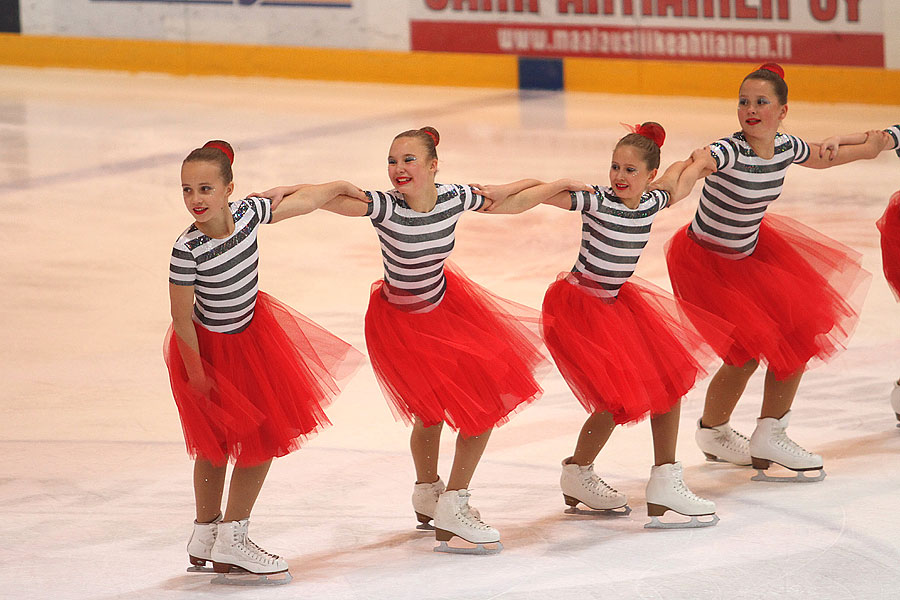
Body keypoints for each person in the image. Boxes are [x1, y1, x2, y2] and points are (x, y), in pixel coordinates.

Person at [259, 127, 563, 554]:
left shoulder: (455, 197)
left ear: (433, 166)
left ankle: (439, 496)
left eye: (409, 160)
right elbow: (325, 200)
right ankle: (445, 502)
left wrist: (558, 185)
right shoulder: (385, 206)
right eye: (392, 160)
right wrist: (308, 189)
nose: (398, 169)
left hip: (448, 312)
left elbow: (507, 201)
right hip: (400, 325)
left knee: (481, 403)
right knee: (433, 410)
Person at [483, 122, 728, 528]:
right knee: (616, 399)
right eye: (615, 167)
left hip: (617, 305)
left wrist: (698, 161)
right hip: (580, 307)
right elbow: (538, 192)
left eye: (631, 170)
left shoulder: (651, 202)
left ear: (649, 176)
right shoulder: (596, 201)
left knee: (667, 384)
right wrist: (527, 188)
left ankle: (663, 478)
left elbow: (678, 182)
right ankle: (579, 472)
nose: (619, 176)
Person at [664, 64, 894, 482]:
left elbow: (828, 156)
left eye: (761, 102)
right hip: (707, 264)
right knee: (745, 356)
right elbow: (693, 168)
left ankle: (767, 431)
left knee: (797, 336)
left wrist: (873, 145)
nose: (750, 110)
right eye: (743, 102)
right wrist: (667, 190)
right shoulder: (727, 151)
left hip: (752, 257)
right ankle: (716, 432)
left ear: (782, 110)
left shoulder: (786, 146)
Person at [164, 140, 366, 583]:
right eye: (186, 191)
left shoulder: (251, 214)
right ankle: (222, 536)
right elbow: (181, 320)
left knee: (255, 437)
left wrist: (337, 185)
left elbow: (307, 201)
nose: (195, 200)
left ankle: (212, 535)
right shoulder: (187, 249)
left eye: (205, 188)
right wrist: (198, 377)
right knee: (227, 444)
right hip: (208, 354)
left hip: (254, 341)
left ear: (228, 189)